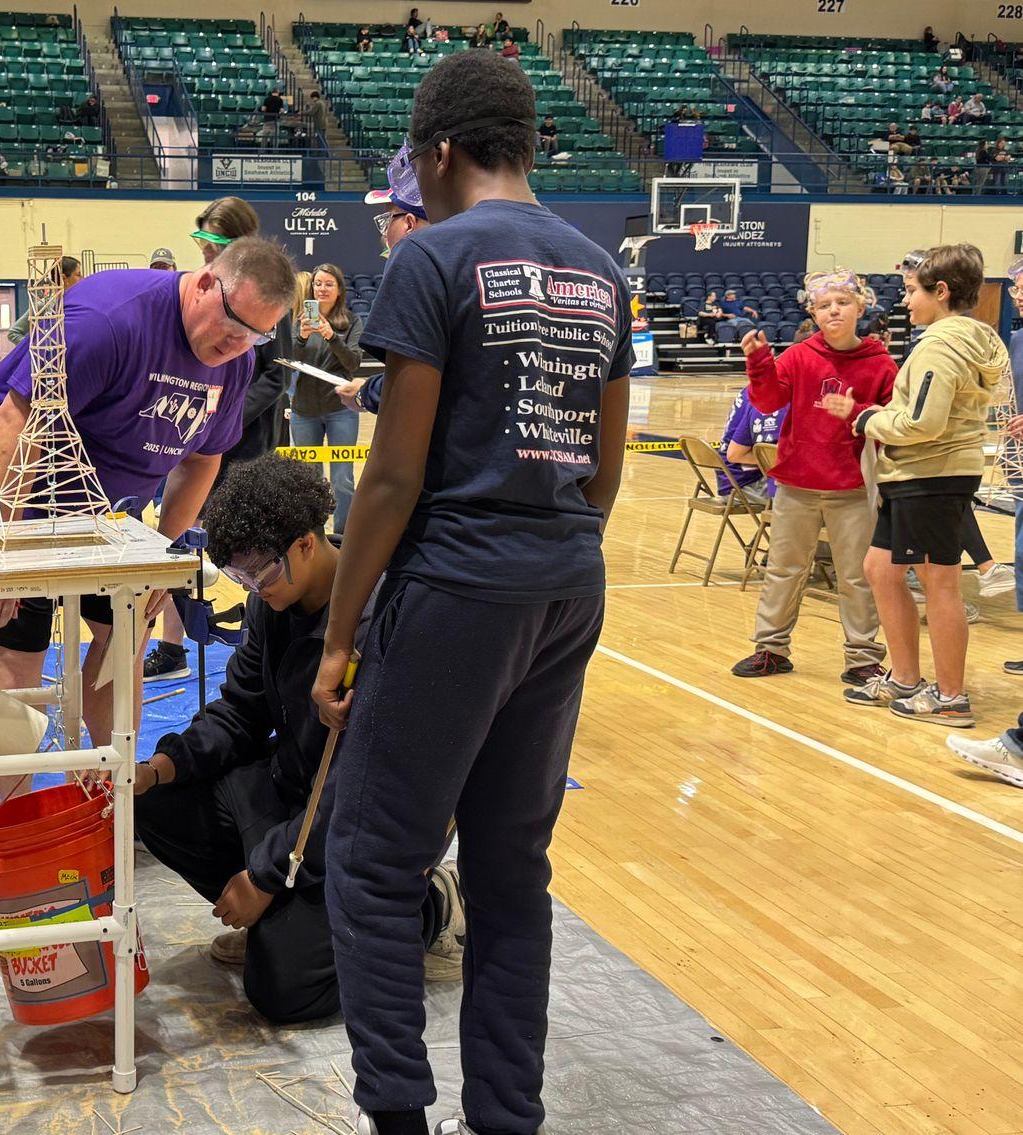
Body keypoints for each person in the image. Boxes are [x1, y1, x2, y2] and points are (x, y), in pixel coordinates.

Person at [312, 49, 632, 1135]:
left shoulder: (432, 259)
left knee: (369, 858)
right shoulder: (601, 270)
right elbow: (605, 467)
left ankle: (397, 1117)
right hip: (566, 581)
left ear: (437, 151)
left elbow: (393, 474)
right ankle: (506, 1118)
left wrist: (335, 638)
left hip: (456, 584)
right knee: (509, 872)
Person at [0, 237, 298, 796]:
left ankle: (116, 794)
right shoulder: (108, 320)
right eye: (233, 327)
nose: (237, 347)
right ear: (206, 281)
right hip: (13, 480)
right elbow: (14, 428)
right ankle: (16, 807)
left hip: (106, 508)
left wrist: (162, 553)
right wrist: (1, 550)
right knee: (20, 641)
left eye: (254, 336)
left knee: (127, 633)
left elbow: (203, 459)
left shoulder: (234, 362)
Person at [134, 455, 465, 1023]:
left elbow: (359, 787)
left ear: (307, 544)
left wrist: (264, 875)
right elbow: (239, 711)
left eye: (259, 574)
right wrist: (160, 766)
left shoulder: (384, 620)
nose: (253, 591)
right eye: (240, 580)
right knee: (157, 802)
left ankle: (433, 904)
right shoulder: (275, 602)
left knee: (285, 991)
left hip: (368, 821)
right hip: (297, 793)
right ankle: (282, 917)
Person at [841, 245, 1009, 726]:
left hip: (932, 473)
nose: (905, 301)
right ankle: (906, 679)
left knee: (941, 583)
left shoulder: (940, 344)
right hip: (916, 474)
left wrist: (871, 419)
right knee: (880, 568)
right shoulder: (964, 339)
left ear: (942, 291)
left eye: (912, 291)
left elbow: (924, 422)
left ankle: (951, 697)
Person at [729, 269, 896, 682]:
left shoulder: (881, 365)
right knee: (783, 570)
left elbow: (893, 423)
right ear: (813, 312)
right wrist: (758, 362)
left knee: (857, 578)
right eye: (824, 305)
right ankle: (771, 649)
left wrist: (857, 415)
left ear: (861, 306)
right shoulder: (799, 356)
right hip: (796, 485)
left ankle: (862, 656)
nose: (833, 311)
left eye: (841, 302)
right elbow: (768, 401)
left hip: (853, 489)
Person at [147, 196, 271, 682]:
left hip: (241, 451)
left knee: (251, 552)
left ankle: (263, 643)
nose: (204, 256)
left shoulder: (266, 294)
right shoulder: (200, 292)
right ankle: (171, 647)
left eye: (215, 244)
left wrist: (224, 411)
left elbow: (271, 379)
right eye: (201, 245)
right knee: (179, 542)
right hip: (193, 445)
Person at [337, 149, 428, 416]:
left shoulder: (416, 276)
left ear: (409, 223)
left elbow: (414, 377)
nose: (384, 231)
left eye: (387, 220)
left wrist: (368, 394)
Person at [289, 264, 365, 536]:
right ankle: (314, 534)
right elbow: (290, 360)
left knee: (342, 478)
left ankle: (342, 536)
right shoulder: (299, 321)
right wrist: (302, 337)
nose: (321, 288)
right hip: (304, 411)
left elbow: (353, 363)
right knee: (308, 478)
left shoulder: (352, 322)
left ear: (339, 290)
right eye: (318, 284)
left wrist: (332, 337)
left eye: (328, 284)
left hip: (341, 411)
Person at [714, 387, 786, 504]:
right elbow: (734, 455)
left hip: (730, 477)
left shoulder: (752, 390)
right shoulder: (770, 403)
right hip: (743, 482)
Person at [6, 256, 82, 344]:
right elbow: (13, 333)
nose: (82, 278)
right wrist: (38, 349)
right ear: (64, 278)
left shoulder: (78, 304)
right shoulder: (42, 306)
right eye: (78, 274)